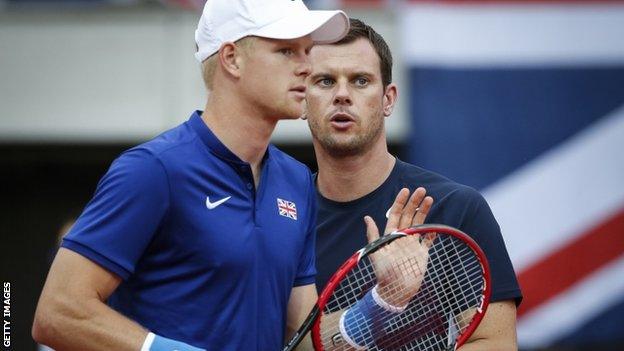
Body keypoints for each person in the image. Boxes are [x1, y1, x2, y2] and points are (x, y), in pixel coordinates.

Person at [31, 1, 349, 350]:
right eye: (287, 51)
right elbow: (58, 312)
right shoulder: (153, 169)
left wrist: (380, 308)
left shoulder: (298, 181)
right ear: (232, 59)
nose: (307, 67)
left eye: (308, 51)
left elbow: (301, 335)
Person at [305, 18, 523, 350]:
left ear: (389, 99)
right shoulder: (279, 216)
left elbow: (495, 343)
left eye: (361, 80)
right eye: (324, 81)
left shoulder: (457, 208)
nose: (342, 95)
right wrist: (383, 302)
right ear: (301, 99)